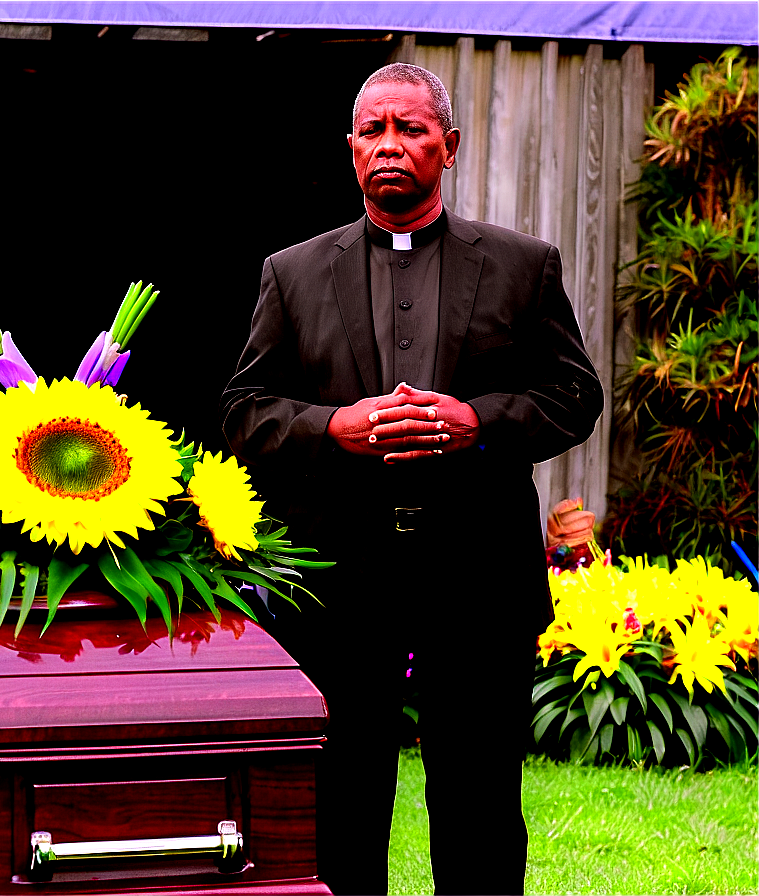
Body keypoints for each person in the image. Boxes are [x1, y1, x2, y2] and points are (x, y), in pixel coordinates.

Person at [221, 63, 603, 896]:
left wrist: (479, 422)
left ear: (450, 146)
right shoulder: (291, 273)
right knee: (341, 803)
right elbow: (244, 411)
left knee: (478, 802)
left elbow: (575, 396)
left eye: (411, 128)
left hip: (478, 578)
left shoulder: (519, 265)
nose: (389, 144)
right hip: (338, 584)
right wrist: (334, 427)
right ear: (351, 149)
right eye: (372, 130)